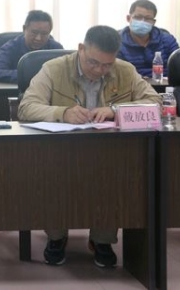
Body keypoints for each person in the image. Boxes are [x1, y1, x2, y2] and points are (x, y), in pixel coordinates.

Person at [18, 25, 160, 268]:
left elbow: (155, 103)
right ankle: (56, 237)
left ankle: (102, 240)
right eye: (93, 62)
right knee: (52, 176)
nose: (99, 70)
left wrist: (115, 110)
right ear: (81, 49)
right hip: (61, 151)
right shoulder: (53, 68)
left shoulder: (125, 70)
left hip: (109, 151)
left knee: (117, 175)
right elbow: (26, 107)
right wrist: (62, 113)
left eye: (107, 65)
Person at [0, 10, 64, 83]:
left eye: (44, 34)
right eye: (34, 32)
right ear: (24, 29)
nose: (38, 38)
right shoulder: (10, 47)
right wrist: (29, 75)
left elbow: (67, 72)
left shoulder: (56, 49)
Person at [117, 0, 179, 78]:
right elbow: (118, 73)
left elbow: (178, 67)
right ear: (128, 18)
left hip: (163, 84)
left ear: (153, 22)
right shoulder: (116, 42)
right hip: (131, 84)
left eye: (148, 18)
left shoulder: (167, 39)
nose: (142, 21)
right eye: (138, 17)